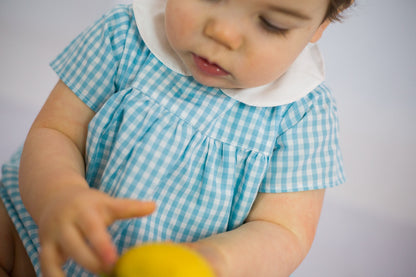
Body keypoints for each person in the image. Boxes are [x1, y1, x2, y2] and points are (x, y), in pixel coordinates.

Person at [0, 0, 354, 276]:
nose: (223, 33)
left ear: (318, 27)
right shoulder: (124, 35)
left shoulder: (302, 112)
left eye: (271, 23)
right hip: (30, 233)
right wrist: (57, 196)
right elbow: (56, 132)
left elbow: (283, 231)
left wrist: (214, 263)